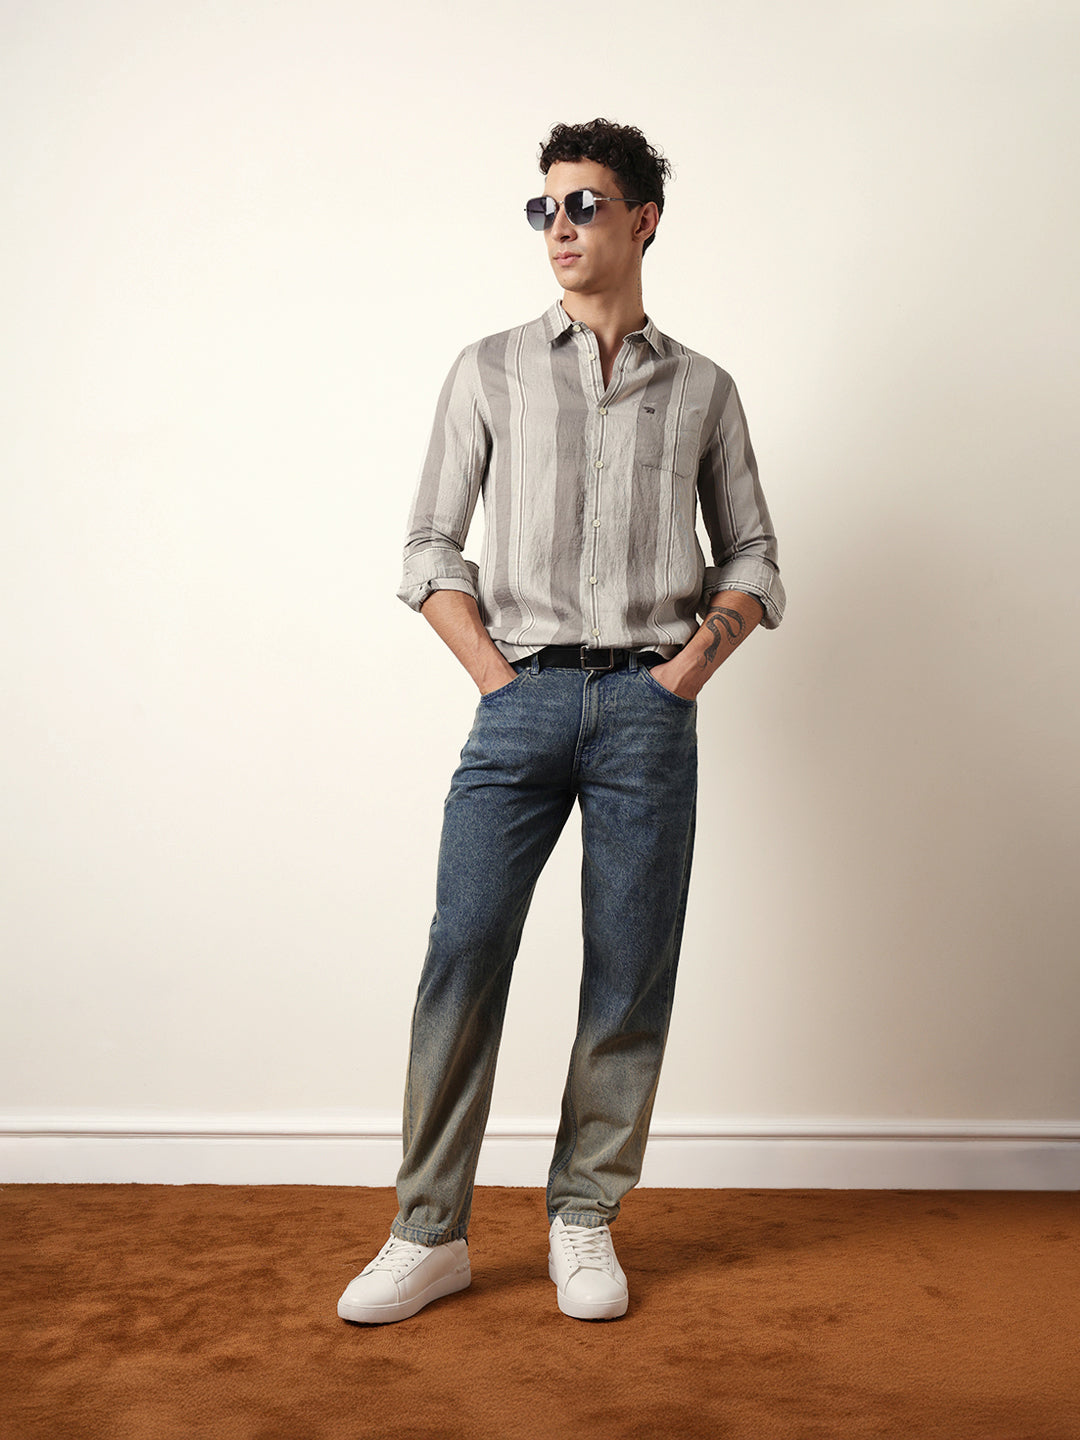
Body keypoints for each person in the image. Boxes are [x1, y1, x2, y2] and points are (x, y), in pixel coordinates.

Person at [338, 118, 785, 1326]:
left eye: (584, 204)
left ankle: (584, 1217)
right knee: (464, 952)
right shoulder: (487, 370)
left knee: (630, 971)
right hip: (520, 699)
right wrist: (495, 678)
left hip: (649, 709)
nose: (561, 227)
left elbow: (753, 554)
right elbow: (429, 545)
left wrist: (685, 672)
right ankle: (427, 1232)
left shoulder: (703, 389)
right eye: (545, 207)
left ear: (643, 219)